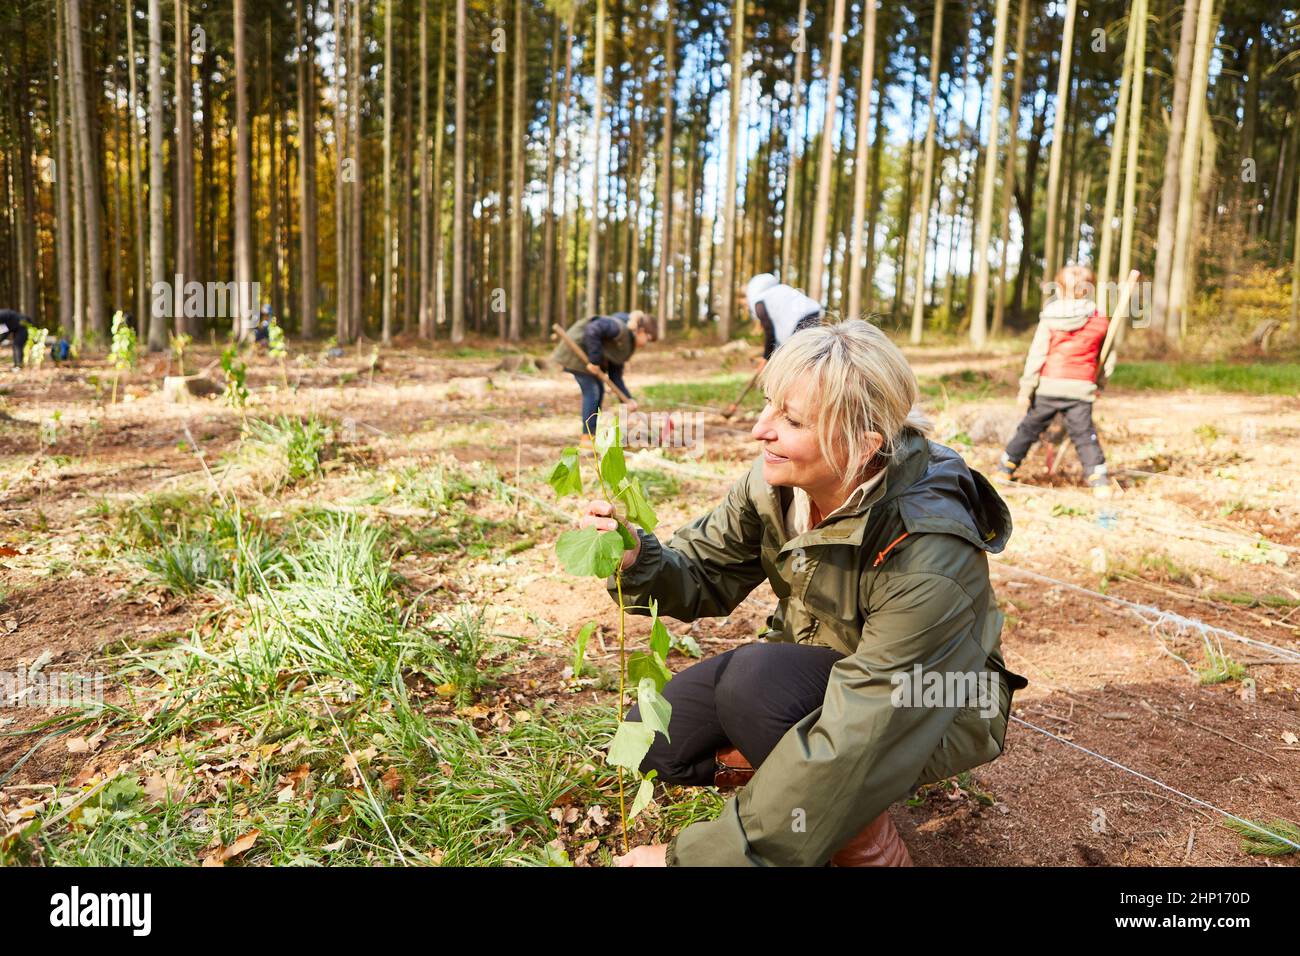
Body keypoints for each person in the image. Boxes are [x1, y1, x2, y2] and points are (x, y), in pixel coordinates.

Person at [578, 319, 1026, 867]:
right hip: (826, 672)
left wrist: (686, 862)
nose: (760, 429)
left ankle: (870, 846)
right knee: (651, 740)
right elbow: (699, 574)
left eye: (791, 420)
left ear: (864, 444)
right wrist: (637, 559)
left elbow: (861, 727)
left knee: (757, 688)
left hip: (934, 703)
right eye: (769, 404)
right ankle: (801, 783)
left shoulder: (929, 550)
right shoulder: (775, 483)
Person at [995, 264, 1114, 497]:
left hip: (1049, 385)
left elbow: (1037, 355)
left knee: (1028, 429)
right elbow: (1108, 359)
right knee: (1084, 435)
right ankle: (1099, 478)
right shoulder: (1100, 320)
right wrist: (1099, 384)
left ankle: (1005, 468)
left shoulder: (1050, 317)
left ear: (1059, 291)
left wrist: (1026, 388)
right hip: (1081, 388)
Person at [551, 310, 655, 438]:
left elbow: (615, 375)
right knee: (593, 391)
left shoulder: (627, 344)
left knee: (598, 389)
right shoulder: (619, 328)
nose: (646, 344)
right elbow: (593, 329)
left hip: (588, 357)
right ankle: (587, 438)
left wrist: (627, 399)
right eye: (648, 339)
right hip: (577, 351)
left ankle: (592, 434)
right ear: (642, 331)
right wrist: (594, 360)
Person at [739, 273, 822, 363]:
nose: (746, 307)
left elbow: (769, 331)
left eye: (744, 303)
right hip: (813, 312)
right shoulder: (778, 290)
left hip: (799, 323)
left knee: (801, 360)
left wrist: (766, 358)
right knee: (811, 354)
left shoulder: (759, 301)